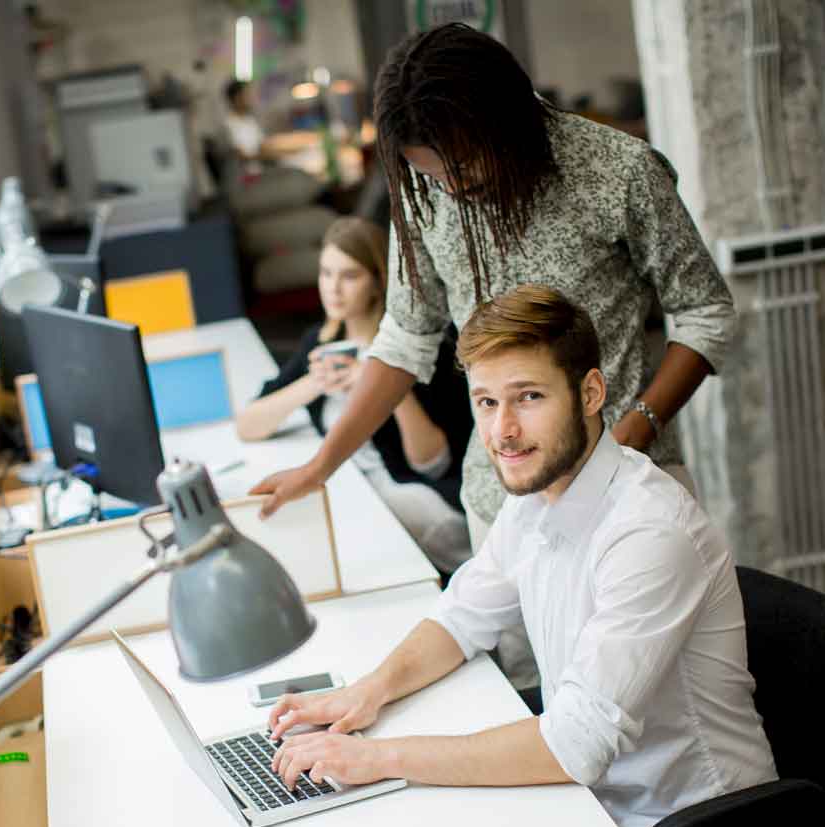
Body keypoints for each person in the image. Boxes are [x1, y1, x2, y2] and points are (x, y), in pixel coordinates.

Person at [250, 22, 736, 690]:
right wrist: (321, 464)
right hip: (501, 499)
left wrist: (637, 426)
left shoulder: (617, 171)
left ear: (505, 122)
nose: (449, 185)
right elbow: (406, 334)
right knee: (528, 695)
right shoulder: (424, 195)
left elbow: (705, 311)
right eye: (429, 171)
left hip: (625, 488)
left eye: (462, 166)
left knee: (644, 714)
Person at [265, 287, 776, 827]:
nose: (502, 430)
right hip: (591, 805)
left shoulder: (648, 530)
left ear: (590, 392)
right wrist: (367, 691)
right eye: (486, 402)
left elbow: (575, 744)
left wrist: (376, 757)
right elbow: (460, 620)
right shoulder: (536, 497)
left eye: (527, 397)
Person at [236, 217, 472, 575]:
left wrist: (383, 388)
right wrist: (312, 383)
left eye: (349, 276)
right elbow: (248, 426)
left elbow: (434, 464)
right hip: (348, 487)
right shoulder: (322, 342)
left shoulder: (421, 353)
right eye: (326, 273)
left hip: (412, 499)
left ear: (379, 281)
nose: (333, 289)